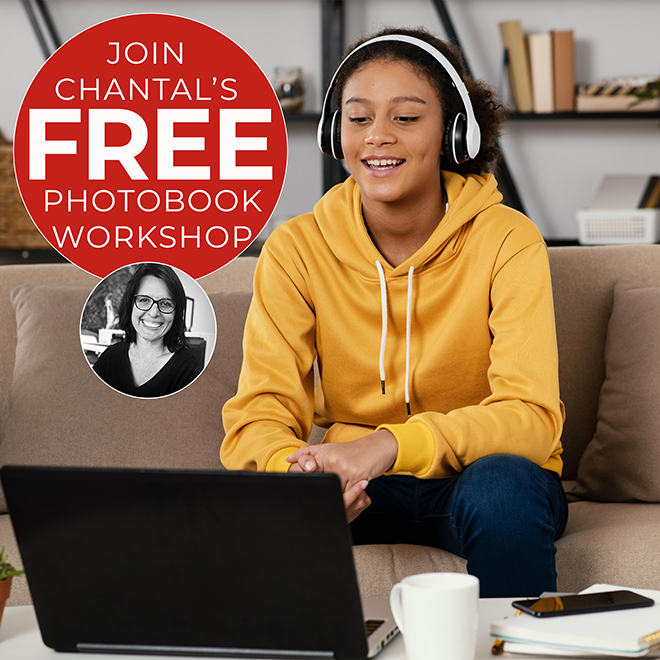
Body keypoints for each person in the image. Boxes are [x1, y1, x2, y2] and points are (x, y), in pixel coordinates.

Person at [221, 27, 568, 597]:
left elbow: (530, 418)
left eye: (406, 118)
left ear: (454, 132)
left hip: (478, 481)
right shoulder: (296, 249)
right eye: (358, 119)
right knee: (248, 510)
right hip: (359, 483)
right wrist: (300, 473)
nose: (377, 137)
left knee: (502, 487)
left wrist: (387, 444)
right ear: (337, 134)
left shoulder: (508, 238)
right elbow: (260, 411)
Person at [93, 263, 202, 398]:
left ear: (177, 313)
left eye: (166, 303)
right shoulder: (110, 356)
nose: (154, 313)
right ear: (130, 305)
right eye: (144, 300)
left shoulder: (187, 367)